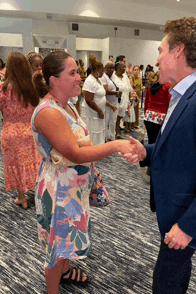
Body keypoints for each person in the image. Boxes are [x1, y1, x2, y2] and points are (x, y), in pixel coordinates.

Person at [121, 16, 196, 294]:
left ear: (179, 51)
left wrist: (188, 227)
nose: (157, 59)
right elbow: (181, 150)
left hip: (186, 216)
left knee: (164, 283)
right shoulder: (181, 95)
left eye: (161, 50)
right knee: (174, 276)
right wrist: (146, 151)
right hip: (173, 211)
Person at [32, 50, 137, 294]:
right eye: (73, 73)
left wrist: (83, 148)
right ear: (54, 81)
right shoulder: (48, 112)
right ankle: (53, 289)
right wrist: (115, 145)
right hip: (59, 190)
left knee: (66, 238)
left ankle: (66, 272)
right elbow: (76, 153)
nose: (79, 77)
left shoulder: (65, 106)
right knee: (57, 245)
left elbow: (77, 147)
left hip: (71, 185)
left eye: (77, 72)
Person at [0, 52, 42, 209]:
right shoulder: (32, 85)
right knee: (34, 162)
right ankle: (39, 193)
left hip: (10, 132)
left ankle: (21, 198)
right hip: (31, 130)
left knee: (16, 165)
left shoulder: (4, 88)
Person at [81, 55, 115, 145]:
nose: (103, 73)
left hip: (98, 111)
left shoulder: (97, 80)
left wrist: (110, 105)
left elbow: (100, 97)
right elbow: (89, 100)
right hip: (92, 112)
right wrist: (99, 110)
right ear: (96, 71)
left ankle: (97, 148)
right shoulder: (90, 81)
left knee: (98, 131)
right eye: (102, 71)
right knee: (93, 131)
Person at [144, 71, 171, 174]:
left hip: (149, 117)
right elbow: (169, 103)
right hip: (160, 118)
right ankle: (155, 166)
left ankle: (149, 165)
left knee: (151, 141)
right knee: (159, 144)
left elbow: (146, 102)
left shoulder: (149, 86)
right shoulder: (167, 87)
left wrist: (147, 114)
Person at [100, 61, 121, 141]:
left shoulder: (113, 76)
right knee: (106, 121)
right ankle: (104, 138)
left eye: (113, 68)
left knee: (113, 121)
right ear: (105, 69)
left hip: (115, 102)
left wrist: (118, 92)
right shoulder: (103, 77)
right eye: (110, 68)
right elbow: (105, 90)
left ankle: (111, 137)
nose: (112, 70)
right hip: (107, 104)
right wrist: (116, 92)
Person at [112, 62, 133, 139]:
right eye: (123, 67)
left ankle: (116, 134)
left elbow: (129, 88)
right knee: (113, 119)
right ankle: (111, 135)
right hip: (115, 102)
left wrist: (130, 97)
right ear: (118, 68)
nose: (125, 69)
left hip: (124, 101)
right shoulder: (113, 76)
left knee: (119, 119)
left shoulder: (125, 76)